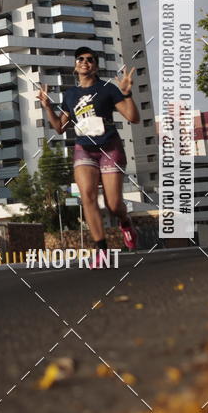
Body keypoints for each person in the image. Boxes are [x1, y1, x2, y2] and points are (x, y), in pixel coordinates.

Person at [39, 47, 140, 263]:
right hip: (83, 148)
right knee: (87, 196)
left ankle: (124, 221)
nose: (85, 62)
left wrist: (126, 92)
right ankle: (102, 250)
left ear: (95, 66)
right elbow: (59, 127)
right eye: (81, 59)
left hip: (109, 148)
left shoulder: (107, 89)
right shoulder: (70, 95)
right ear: (76, 65)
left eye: (90, 59)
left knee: (113, 205)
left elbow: (133, 117)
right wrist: (47, 107)